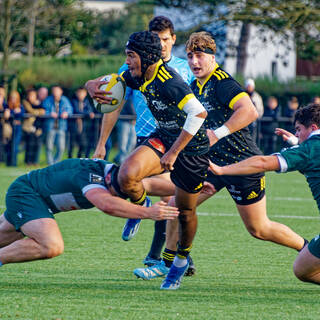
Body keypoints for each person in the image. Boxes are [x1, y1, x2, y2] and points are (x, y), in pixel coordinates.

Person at [133, 32, 306, 287]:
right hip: (212, 164)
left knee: (259, 229)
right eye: (190, 56)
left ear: (213, 57)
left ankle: (309, 249)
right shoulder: (194, 86)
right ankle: (169, 264)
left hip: (242, 163)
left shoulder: (222, 81)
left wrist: (217, 133)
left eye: (200, 56)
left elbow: (250, 111)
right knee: (175, 205)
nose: (194, 61)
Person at [86, 30, 210, 290]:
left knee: (185, 212)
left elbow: (198, 113)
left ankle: (179, 263)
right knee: (126, 175)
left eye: (130, 56)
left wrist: (174, 152)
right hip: (163, 137)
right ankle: (142, 206)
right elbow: (109, 82)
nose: (127, 61)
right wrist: (90, 85)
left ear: (146, 56)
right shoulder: (137, 74)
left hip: (191, 148)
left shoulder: (169, 81)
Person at [209, 103, 320, 285]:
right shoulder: (308, 150)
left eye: (299, 130)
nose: (297, 134)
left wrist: (223, 170)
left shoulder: (309, 150)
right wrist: (296, 142)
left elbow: (261, 162)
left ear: (313, 128)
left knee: (302, 269)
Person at [0, 158, 179, 267]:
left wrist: (196, 187)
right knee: (51, 245)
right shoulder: (92, 178)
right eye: (114, 193)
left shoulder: (120, 176)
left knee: (5, 236)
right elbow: (107, 204)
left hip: (36, 198)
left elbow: (151, 184)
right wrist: (147, 212)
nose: (116, 196)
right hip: (29, 193)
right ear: (107, 180)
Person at [43, 85, 73, 165]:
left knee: (61, 147)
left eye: (57, 90)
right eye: (54, 90)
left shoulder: (65, 100)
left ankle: (56, 162)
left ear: (61, 91)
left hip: (61, 127)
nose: (55, 92)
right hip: (50, 127)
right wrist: (50, 114)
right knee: (49, 146)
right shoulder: (48, 100)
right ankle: (50, 163)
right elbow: (43, 110)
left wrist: (66, 113)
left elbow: (70, 110)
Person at [69, 87, 95, 158]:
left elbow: (90, 110)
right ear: (76, 93)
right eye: (79, 93)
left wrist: (88, 113)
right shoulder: (73, 101)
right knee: (71, 145)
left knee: (83, 144)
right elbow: (76, 111)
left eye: (83, 93)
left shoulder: (86, 102)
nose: (81, 94)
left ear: (85, 94)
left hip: (83, 127)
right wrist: (87, 114)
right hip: (73, 126)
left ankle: (78, 157)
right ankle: (70, 158)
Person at [22, 89, 46, 166]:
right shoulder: (25, 103)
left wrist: (40, 128)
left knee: (37, 145)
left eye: (33, 95)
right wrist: (38, 112)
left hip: (38, 128)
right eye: (30, 95)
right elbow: (31, 111)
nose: (31, 97)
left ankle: (35, 161)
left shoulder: (40, 104)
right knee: (29, 145)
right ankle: (28, 161)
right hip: (28, 128)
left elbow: (43, 112)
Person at [4, 91, 25, 166]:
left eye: (15, 98)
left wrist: (11, 112)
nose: (13, 100)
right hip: (9, 129)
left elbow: (22, 113)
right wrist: (13, 111)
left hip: (17, 129)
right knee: (8, 146)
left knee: (15, 146)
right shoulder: (6, 106)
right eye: (12, 98)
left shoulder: (20, 106)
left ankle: (14, 163)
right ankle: (8, 163)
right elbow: (6, 114)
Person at [245, 78, 264, 144]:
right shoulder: (243, 95)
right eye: (248, 86)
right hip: (244, 121)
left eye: (250, 86)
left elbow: (260, 110)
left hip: (254, 121)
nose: (249, 88)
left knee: (253, 139)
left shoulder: (257, 97)